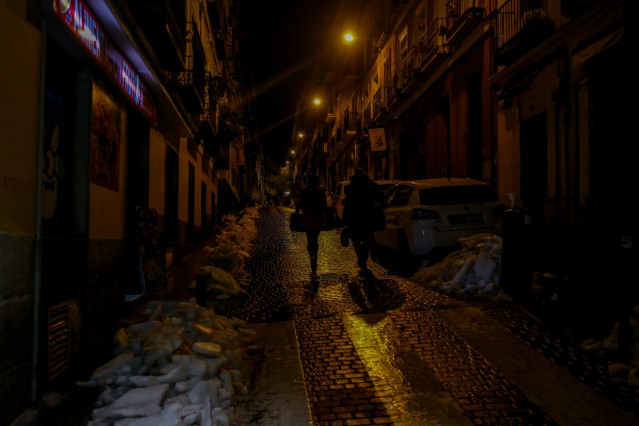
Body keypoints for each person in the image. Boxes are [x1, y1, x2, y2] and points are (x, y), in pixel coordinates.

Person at [342, 168, 384, 271]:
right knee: (366, 238)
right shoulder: (370, 185)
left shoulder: (352, 186)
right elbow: (379, 198)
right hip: (367, 216)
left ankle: (361, 256)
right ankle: (363, 258)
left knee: (356, 239)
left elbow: (348, 203)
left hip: (354, 216)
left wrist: (345, 218)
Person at [298, 174, 328, 277]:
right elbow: (324, 204)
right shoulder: (320, 191)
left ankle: (312, 256)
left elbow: (301, 204)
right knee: (315, 238)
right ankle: (315, 255)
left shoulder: (305, 191)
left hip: (308, 217)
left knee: (310, 238)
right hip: (318, 217)